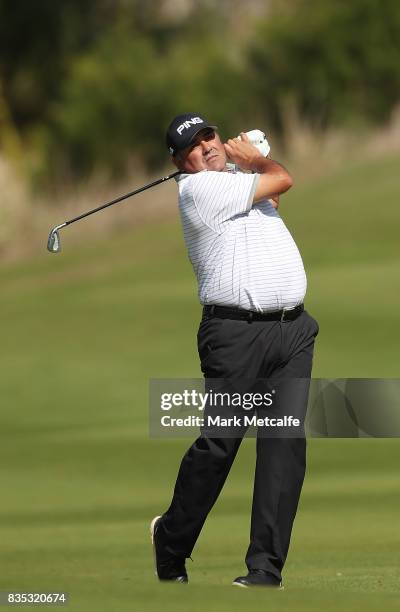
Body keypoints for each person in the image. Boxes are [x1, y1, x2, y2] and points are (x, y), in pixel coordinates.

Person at [150, 113, 319, 588]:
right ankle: (171, 537)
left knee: (284, 446)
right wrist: (257, 158)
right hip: (234, 336)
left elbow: (275, 193)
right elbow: (282, 177)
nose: (206, 148)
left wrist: (248, 164)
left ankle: (265, 568)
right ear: (181, 162)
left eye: (210, 137)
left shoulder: (237, 180)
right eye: (194, 147)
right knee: (220, 446)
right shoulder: (198, 191)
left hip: (293, 332)